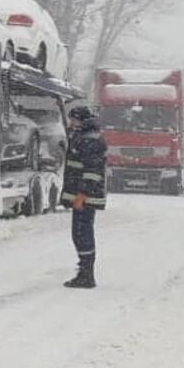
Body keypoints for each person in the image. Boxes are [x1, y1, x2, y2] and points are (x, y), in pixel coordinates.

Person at [61, 104, 107, 289]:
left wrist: (82, 194)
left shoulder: (89, 140)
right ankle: (84, 272)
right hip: (82, 196)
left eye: (73, 119)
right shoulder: (83, 136)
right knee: (80, 233)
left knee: (82, 234)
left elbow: (92, 172)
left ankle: (86, 275)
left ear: (80, 120)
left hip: (86, 197)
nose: (70, 123)